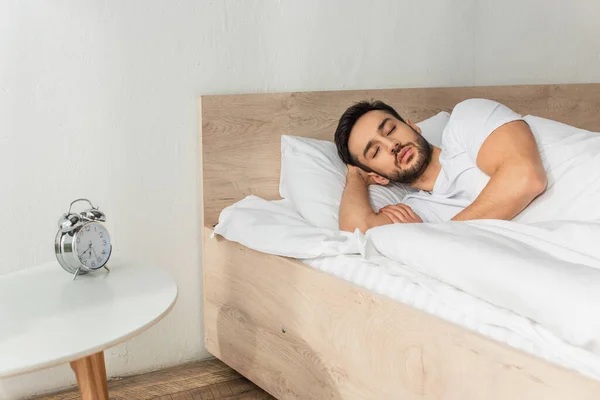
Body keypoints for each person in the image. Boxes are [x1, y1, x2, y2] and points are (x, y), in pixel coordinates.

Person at [334, 98, 548, 233]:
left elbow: (526, 178)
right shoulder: (415, 213)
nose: (392, 145)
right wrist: (356, 176)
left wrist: (436, 238)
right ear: (378, 177)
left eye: (390, 130)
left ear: (413, 126)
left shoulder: (465, 120)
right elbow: (358, 230)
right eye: (375, 151)